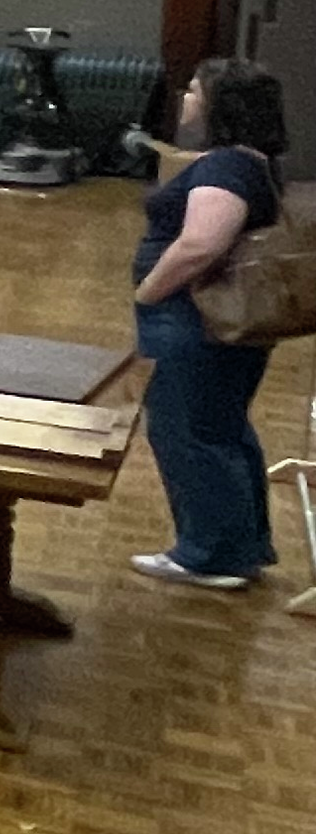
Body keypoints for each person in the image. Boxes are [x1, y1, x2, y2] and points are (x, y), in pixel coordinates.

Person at [129, 58, 291, 589]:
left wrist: (148, 290)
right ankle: (239, 547)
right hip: (209, 325)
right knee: (221, 428)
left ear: (222, 105)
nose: (187, 97)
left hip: (193, 322)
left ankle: (207, 555)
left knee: (188, 429)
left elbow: (200, 245)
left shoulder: (227, 168)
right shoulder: (251, 162)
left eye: (196, 89)